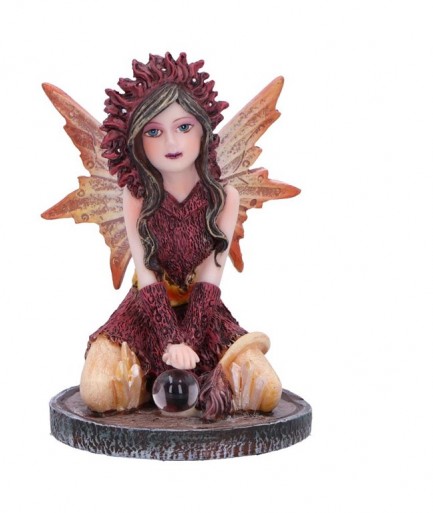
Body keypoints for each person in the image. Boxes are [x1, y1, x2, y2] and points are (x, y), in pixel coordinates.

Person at [79, 53, 282, 419]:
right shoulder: (136, 197)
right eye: (154, 132)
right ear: (137, 142)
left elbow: (210, 277)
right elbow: (146, 274)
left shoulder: (224, 198)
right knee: (99, 391)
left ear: (203, 129)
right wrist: (169, 341)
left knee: (266, 391)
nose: (171, 141)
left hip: (203, 314)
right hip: (145, 312)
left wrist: (188, 341)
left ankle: (197, 382)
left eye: (184, 127)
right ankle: (145, 378)